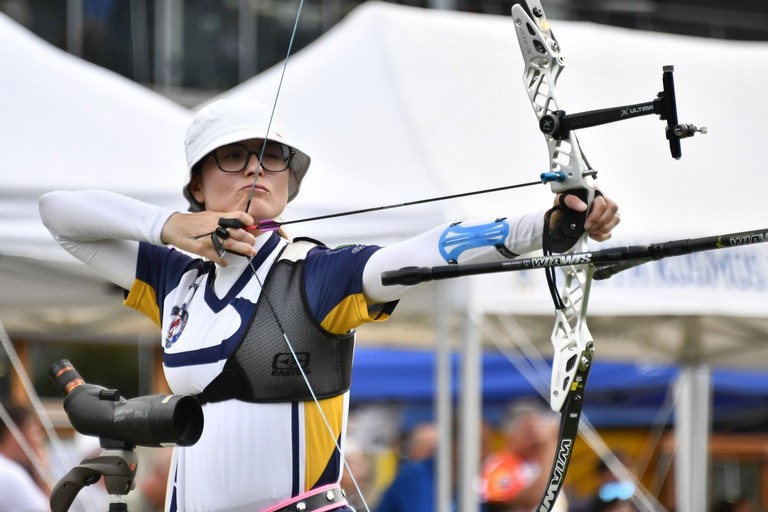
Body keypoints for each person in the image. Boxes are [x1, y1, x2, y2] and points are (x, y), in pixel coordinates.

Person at [39, 97, 620, 512]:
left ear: (290, 183)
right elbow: (59, 215)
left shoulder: (316, 276)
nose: (255, 171)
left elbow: (426, 251)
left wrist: (543, 226)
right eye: (232, 157)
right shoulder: (174, 278)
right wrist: (165, 225)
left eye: (271, 158)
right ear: (196, 184)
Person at [481, 400, 566, 512]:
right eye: (529, 433)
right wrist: (550, 447)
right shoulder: (498, 467)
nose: (537, 438)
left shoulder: (539, 465)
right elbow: (533, 499)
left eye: (538, 431)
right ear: (509, 434)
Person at [0, 403, 50, 512]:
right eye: (35, 433)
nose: (40, 440)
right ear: (14, 434)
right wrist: (43, 472)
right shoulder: (10, 473)